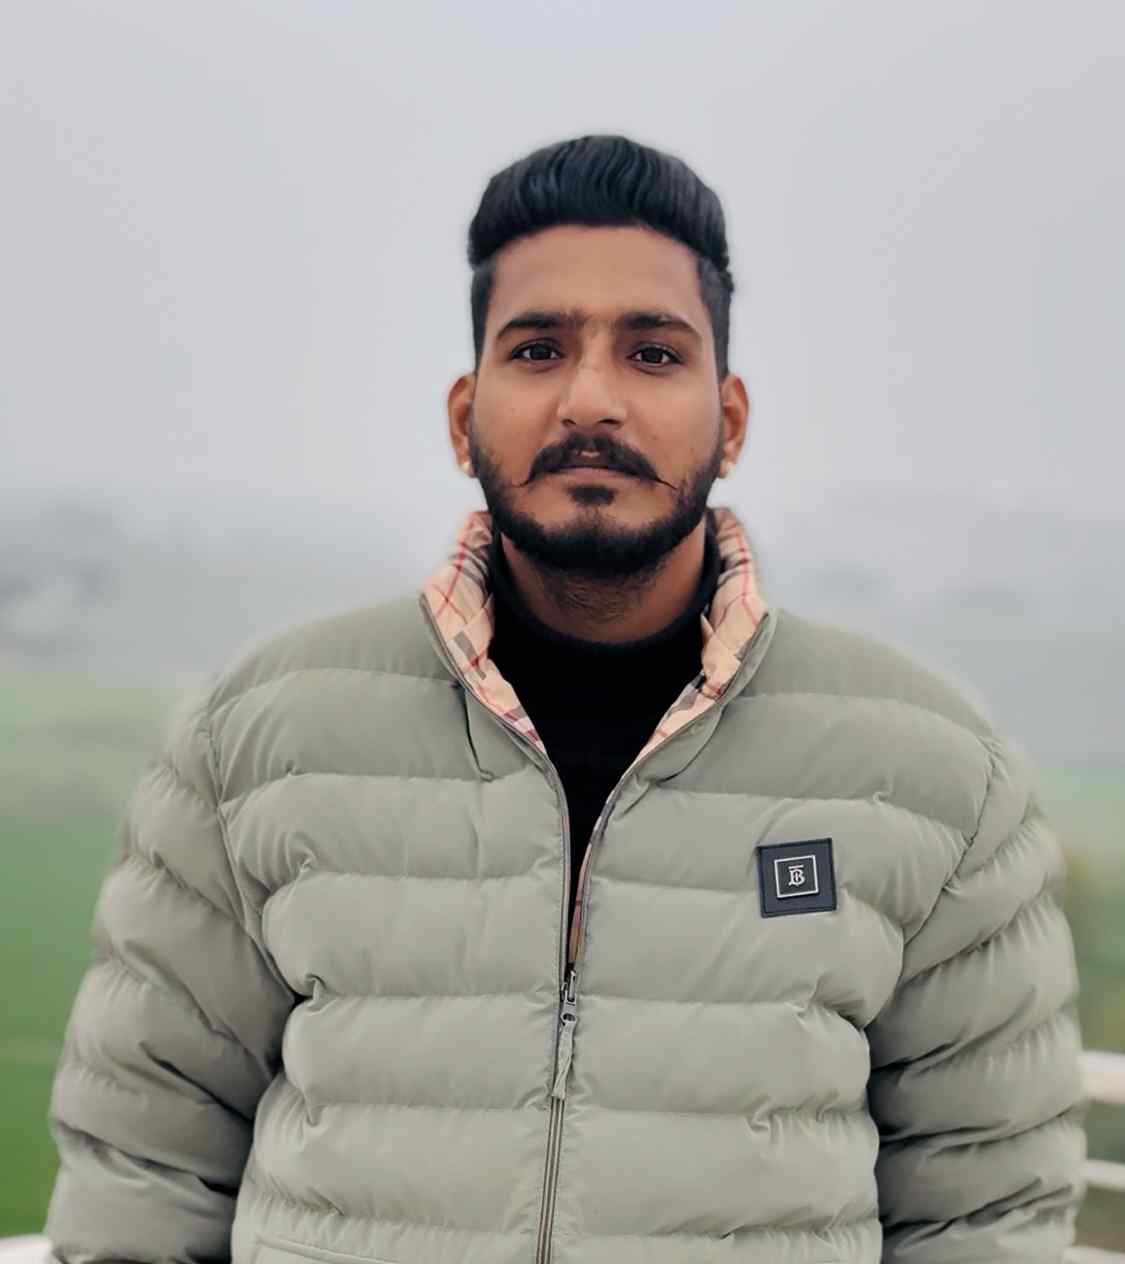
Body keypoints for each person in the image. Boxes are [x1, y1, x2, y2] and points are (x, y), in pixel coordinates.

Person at [45, 134, 1088, 1264]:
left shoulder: (934, 774)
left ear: (731, 420)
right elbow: (142, 1174)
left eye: (653, 353)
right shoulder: (254, 741)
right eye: (538, 349)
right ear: (464, 416)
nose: (591, 400)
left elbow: (987, 1212)